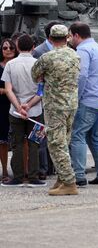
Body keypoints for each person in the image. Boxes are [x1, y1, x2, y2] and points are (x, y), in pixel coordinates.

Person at [31, 25, 80, 196]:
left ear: (50, 39)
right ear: (67, 37)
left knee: (56, 144)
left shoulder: (47, 57)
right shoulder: (75, 55)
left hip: (55, 106)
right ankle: (61, 177)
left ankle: (69, 182)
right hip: (71, 104)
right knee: (64, 142)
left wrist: (44, 76)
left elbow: (34, 75)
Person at [69, 22, 98, 186]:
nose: (70, 39)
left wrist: (76, 97)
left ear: (76, 35)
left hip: (87, 100)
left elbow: (82, 76)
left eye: (70, 36)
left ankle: (79, 176)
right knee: (94, 137)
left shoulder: (82, 50)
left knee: (77, 135)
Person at [1, 35, 45, 187]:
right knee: (35, 143)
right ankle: (33, 175)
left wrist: (19, 106)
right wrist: (29, 105)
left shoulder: (11, 65)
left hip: (15, 111)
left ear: (17, 47)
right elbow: (41, 91)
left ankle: (18, 176)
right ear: (33, 47)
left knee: (17, 143)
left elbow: (8, 89)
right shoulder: (38, 64)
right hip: (35, 110)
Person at [32, 21, 62, 179]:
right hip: (44, 100)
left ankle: (55, 167)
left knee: (59, 136)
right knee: (42, 136)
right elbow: (36, 78)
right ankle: (43, 169)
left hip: (62, 102)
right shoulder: (38, 52)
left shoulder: (66, 51)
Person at [0, 38, 17, 182]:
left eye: (11, 47)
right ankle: (4, 171)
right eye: (5, 48)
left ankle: (19, 171)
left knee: (19, 140)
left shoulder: (17, 64)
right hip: (2, 107)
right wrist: (7, 91)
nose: (8, 50)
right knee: (3, 141)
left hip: (18, 105)